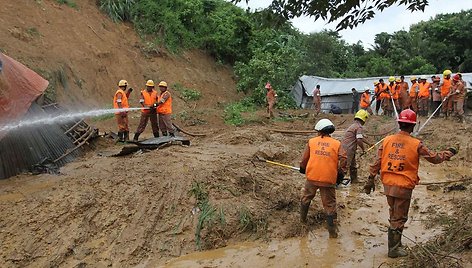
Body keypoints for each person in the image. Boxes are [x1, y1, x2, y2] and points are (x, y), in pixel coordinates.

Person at [364, 109, 455, 258]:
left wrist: (370, 178)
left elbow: (377, 162)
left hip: (388, 184)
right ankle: (393, 250)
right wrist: (449, 153)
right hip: (403, 186)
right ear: (412, 126)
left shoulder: (387, 140)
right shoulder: (416, 144)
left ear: (399, 123)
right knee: (399, 217)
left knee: (393, 213)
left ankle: (396, 244)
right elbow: (434, 158)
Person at [299, 119, 347, 238]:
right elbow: (344, 158)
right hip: (328, 179)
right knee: (330, 205)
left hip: (312, 177)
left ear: (319, 131)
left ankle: (302, 222)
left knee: (306, 198)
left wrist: (302, 168)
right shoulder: (336, 144)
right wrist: (340, 174)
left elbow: (304, 159)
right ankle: (332, 234)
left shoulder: (312, 142)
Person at [341, 109, 371, 183]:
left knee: (353, 165)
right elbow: (359, 140)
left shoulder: (354, 125)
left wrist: (369, 144)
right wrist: (363, 149)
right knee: (344, 167)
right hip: (348, 149)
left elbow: (360, 137)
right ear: (364, 119)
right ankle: (336, 182)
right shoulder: (359, 127)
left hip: (347, 148)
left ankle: (354, 181)